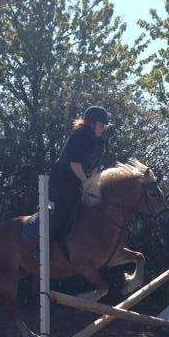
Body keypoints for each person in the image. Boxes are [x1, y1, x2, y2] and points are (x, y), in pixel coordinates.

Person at [49, 106, 108, 247]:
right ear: (91, 123)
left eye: (104, 126)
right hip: (63, 179)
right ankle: (50, 243)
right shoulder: (81, 136)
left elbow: (94, 167)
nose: (103, 129)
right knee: (68, 206)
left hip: (81, 179)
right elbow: (75, 164)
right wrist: (86, 182)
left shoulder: (100, 142)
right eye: (101, 125)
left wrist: (94, 184)